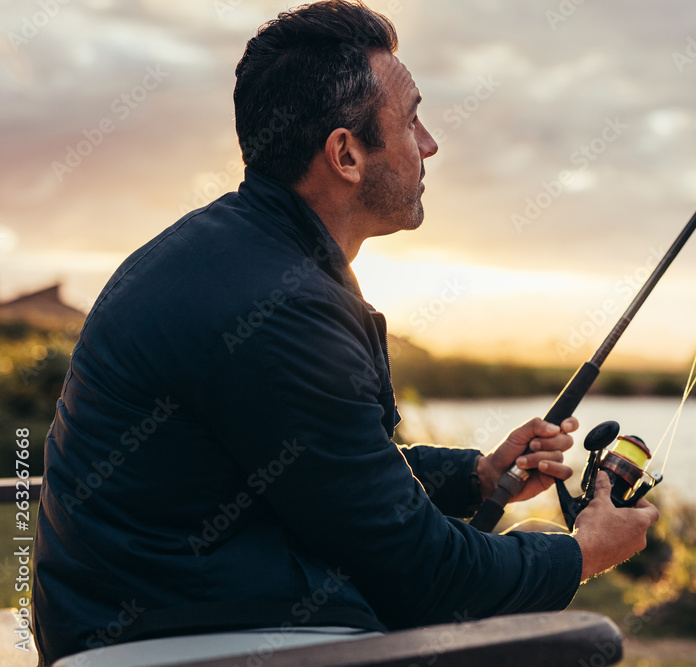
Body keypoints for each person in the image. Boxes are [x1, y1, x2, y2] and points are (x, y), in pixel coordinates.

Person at [30, 2, 659, 664]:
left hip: (169, 622)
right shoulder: (282, 308)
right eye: (412, 119)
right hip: (181, 641)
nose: (430, 143)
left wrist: (475, 475)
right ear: (346, 152)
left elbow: (325, 472)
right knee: (578, 644)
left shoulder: (241, 257)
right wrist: (584, 548)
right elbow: (430, 580)